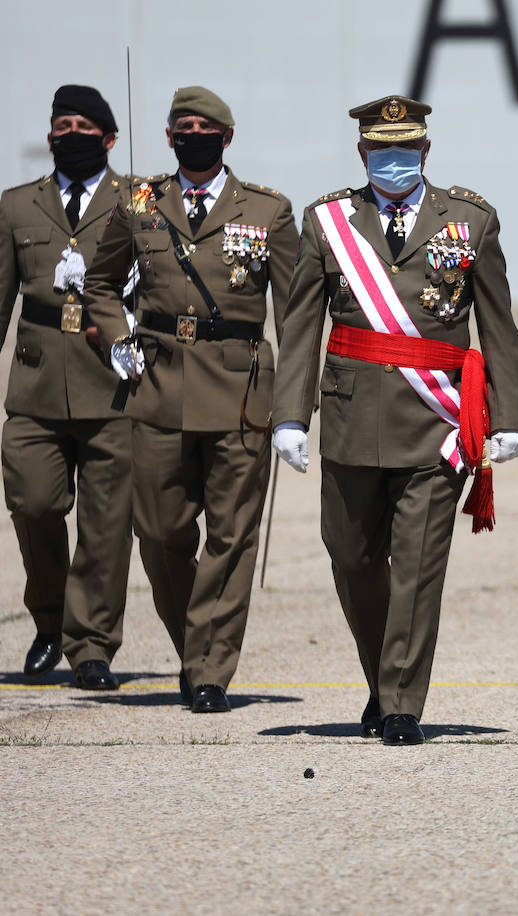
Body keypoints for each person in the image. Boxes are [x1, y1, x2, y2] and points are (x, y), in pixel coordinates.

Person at [271, 96, 518, 746]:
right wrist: (289, 418)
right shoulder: (328, 221)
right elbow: (301, 324)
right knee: (352, 557)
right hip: (352, 420)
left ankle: (401, 705)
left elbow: (498, 323)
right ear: (362, 154)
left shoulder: (470, 221)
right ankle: (382, 684)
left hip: (435, 423)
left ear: (426, 152)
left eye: (405, 149)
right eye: (381, 151)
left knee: (416, 567)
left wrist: (511, 414)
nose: (393, 160)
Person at [84, 86, 298, 713]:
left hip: (239, 391)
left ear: (227, 138)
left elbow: (294, 313)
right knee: (159, 532)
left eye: (205, 126)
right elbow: (99, 284)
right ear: (170, 135)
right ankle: (194, 646)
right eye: (182, 125)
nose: (192, 134)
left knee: (232, 538)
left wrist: (293, 406)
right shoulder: (139, 202)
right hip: (159, 387)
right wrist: (118, 340)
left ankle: (210, 670)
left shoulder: (267, 211)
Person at [0, 86, 132, 689]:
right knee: (33, 503)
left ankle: (91, 647)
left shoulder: (138, 201)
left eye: (83, 125)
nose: (68, 133)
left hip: (113, 384)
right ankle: (50, 619)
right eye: (61, 124)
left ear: (108, 138)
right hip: (35, 385)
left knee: (107, 526)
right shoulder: (17, 205)